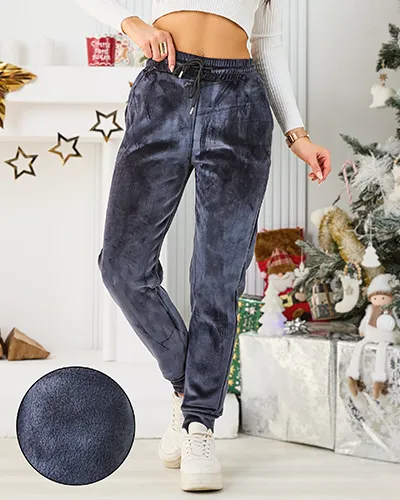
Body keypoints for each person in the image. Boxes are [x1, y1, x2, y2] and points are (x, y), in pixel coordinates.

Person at [76, 0, 331, 492]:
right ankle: (186, 386)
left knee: (218, 280)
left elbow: (267, 44)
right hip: (164, 92)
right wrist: (130, 22)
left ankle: (198, 425)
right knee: (122, 268)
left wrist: (296, 133)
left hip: (242, 105)